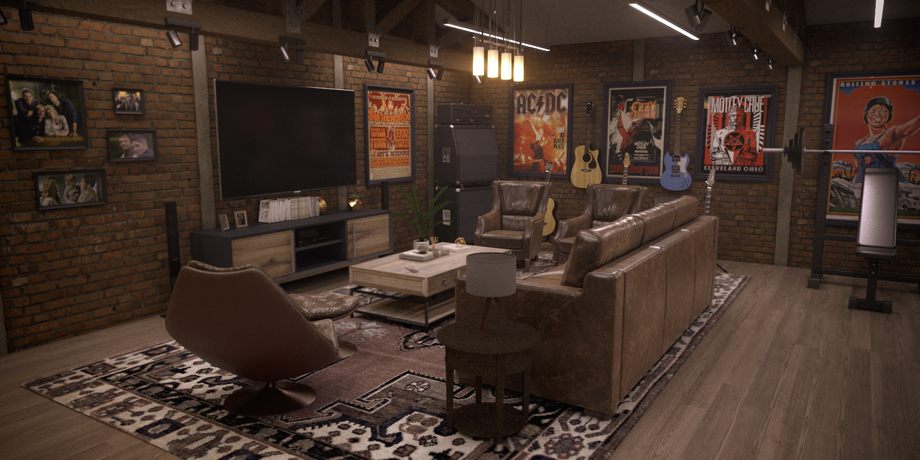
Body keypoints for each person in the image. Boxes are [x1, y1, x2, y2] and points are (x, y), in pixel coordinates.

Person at [853, 96, 920, 183]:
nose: (877, 114)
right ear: (866, 114)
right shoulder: (859, 143)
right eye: (873, 111)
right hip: (862, 182)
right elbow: (858, 168)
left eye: (883, 111)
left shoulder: (891, 133)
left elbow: (907, 128)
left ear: (889, 115)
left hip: (885, 182)